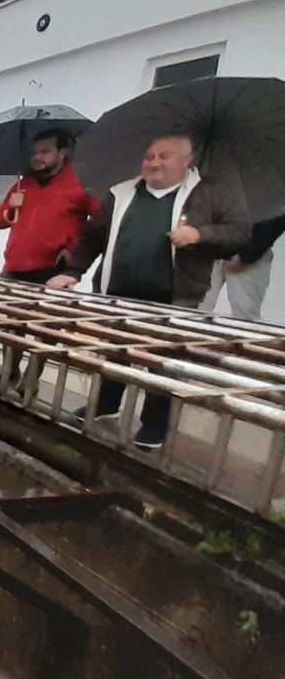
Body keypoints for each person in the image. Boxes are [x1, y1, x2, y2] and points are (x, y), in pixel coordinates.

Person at [49, 134, 250, 449]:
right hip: (120, 291)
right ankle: (106, 404)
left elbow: (239, 232)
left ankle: (154, 424)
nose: (154, 163)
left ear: (187, 160)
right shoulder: (122, 192)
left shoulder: (210, 192)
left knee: (164, 362)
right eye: (149, 156)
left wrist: (200, 234)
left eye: (164, 156)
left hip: (175, 295)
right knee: (116, 351)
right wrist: (72, 271)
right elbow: (93, 236)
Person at [0, 129, 98, 383]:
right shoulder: (23, 183)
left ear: (62, 153)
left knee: (45, 328)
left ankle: (31, 380)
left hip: (52, 268)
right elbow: (0, 221)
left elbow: (98, 221)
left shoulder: (80, 182)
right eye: (35, 152)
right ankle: (10, 370)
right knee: (12, 324)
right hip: (15, 265)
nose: (38, 157)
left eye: (45, 151)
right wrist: (10, 208)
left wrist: (73, 248)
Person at [201, 213, 285, 321]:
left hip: (247, 251)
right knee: (192, 308)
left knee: (245, 316)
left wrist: (251, 250)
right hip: (209, 244)